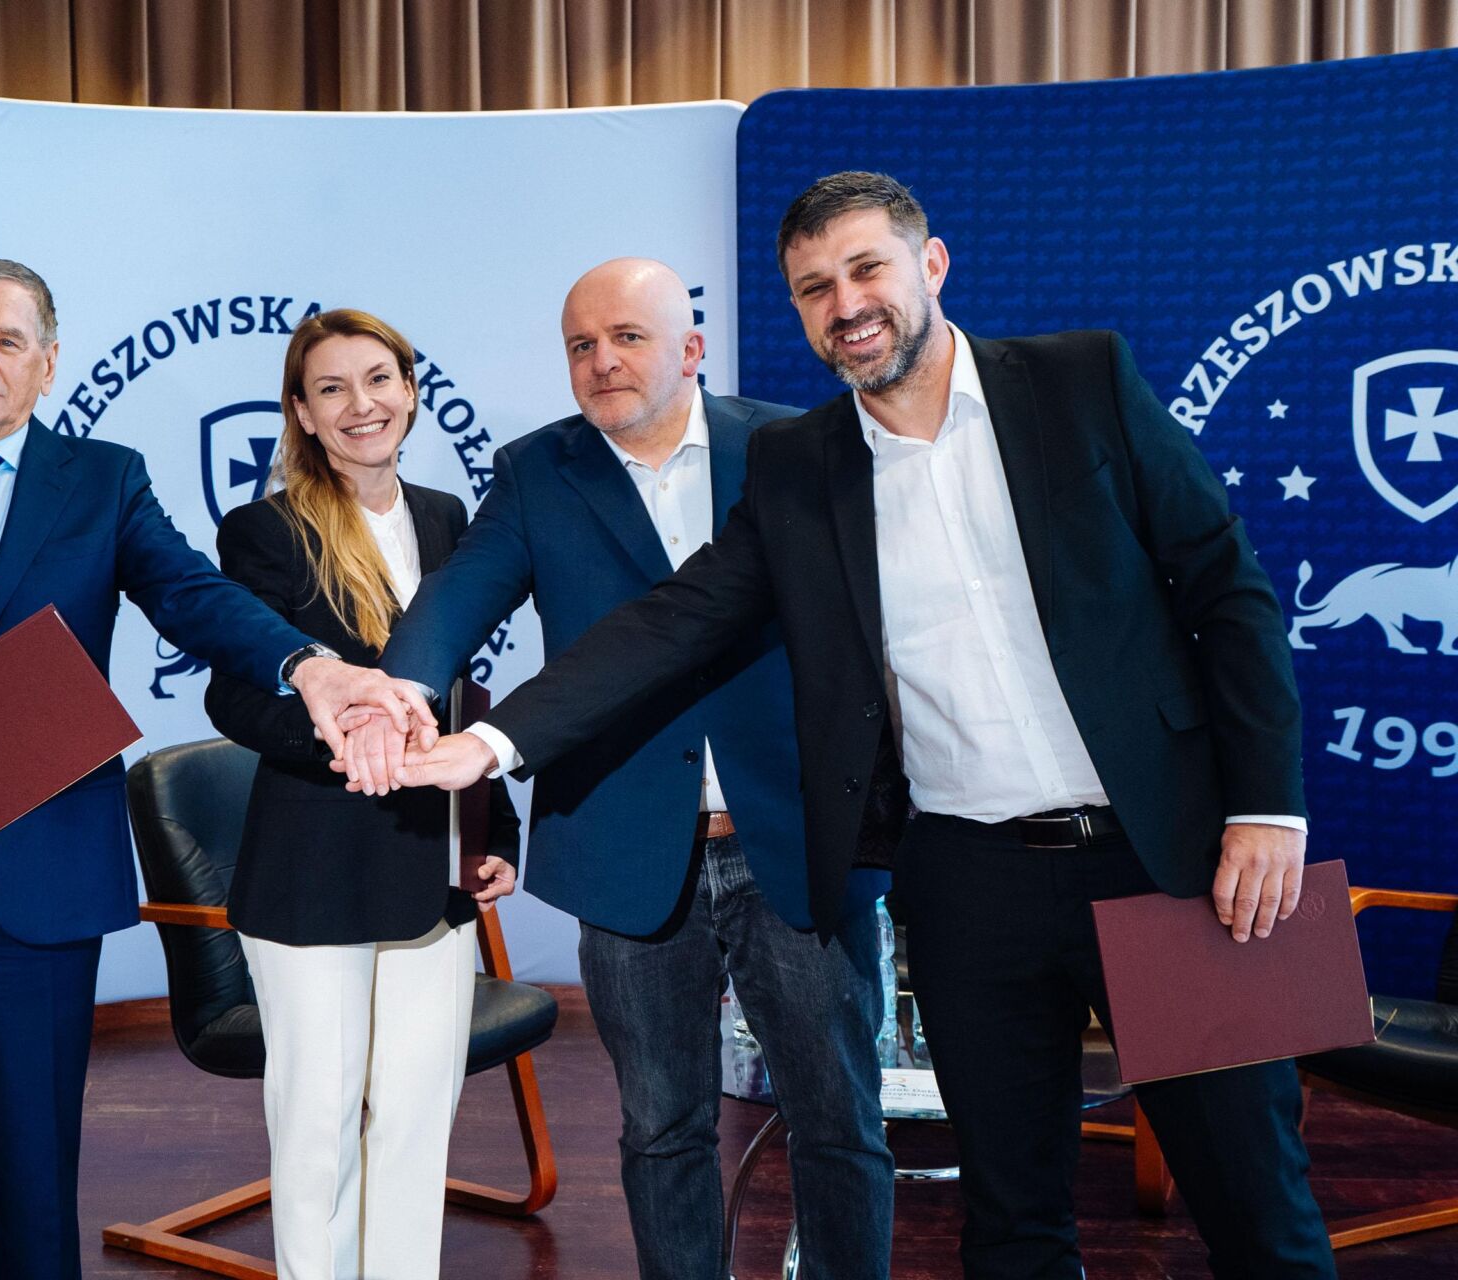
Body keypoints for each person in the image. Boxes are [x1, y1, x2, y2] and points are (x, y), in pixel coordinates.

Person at [395, 174, 1338, 1279]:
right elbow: (672, 623)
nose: (845, 304)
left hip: (1173, 857)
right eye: (813, 288)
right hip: (969, 884)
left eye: (865, 269)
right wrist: (490, 744)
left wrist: (1267, 807)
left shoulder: (1083, 376)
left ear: (929, 265)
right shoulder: (802, 466)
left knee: (1258, 1202)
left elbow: (1228, 589)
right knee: (1013, 1223)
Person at [0, 258, 429, 1280]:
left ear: (48, 362)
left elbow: (193, 594)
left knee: (38, 1164)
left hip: (47, 867)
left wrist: (307, 665)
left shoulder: (105, 479)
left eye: (8, 340)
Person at [339, 258, 893, 1278]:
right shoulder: (537, 472)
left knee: (839, 1120)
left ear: (691, 348)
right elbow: (459, 596)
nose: (601, 362)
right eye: (581, 346)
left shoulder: (791, 445)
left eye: (628, 338)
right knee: (661, 1126)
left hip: (795, 833)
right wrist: (398, 688)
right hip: (625, 843)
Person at [202, 307, 518, 1280]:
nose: (360, 404)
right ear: (301, 411)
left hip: (432, 857)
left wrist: (493, 828)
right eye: (330, 388)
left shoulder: (448, 517)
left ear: (410, 393)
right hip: (314, 867)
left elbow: (461, 691)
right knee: (318, 1126)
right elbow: (234, 694)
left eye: (378, 379)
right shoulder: (264, 530)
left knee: (419, 1120)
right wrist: (352, 735)